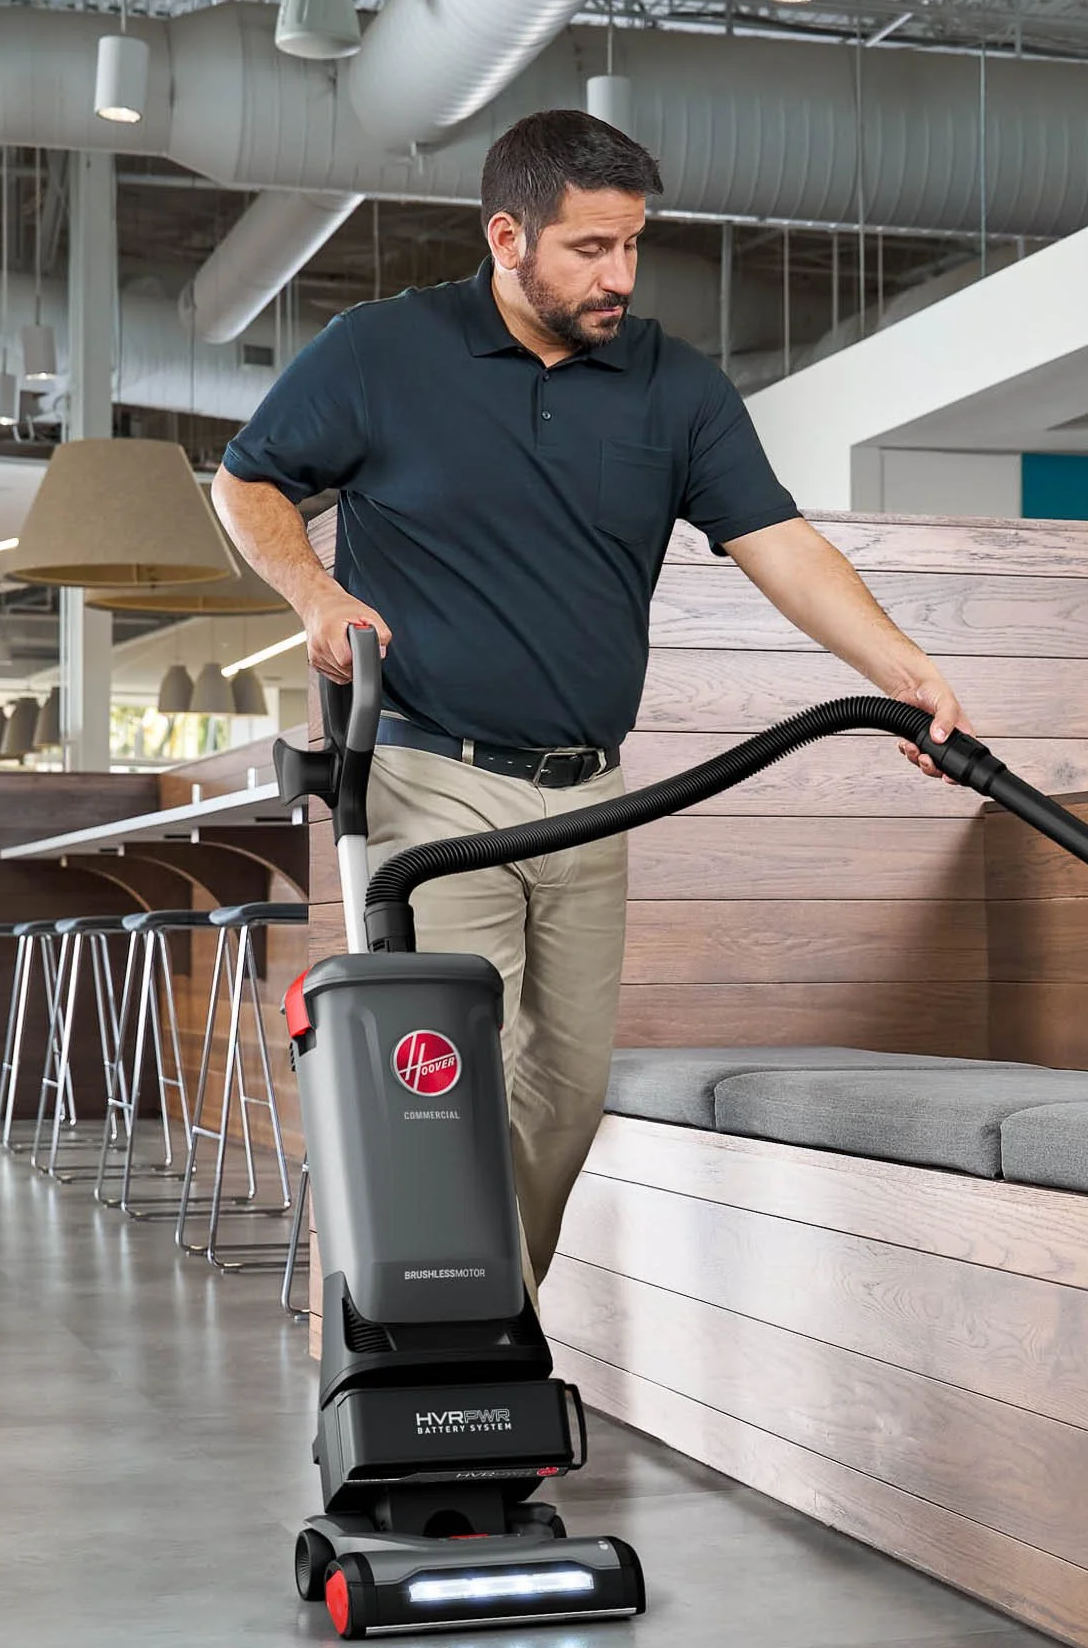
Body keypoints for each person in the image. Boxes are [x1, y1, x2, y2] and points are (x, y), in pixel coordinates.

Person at [211, 108, 967, 1286]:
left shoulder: (672, 385)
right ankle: (447, 1346)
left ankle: (481, 1333)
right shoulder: (384, 352)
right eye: (589, 250)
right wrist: (314, 594)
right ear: (507, 236)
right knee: (438, 1080)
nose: (619, 276)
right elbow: (247, 481)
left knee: (563, 1095)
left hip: (585, 796)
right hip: (427, 780)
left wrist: (907, 677)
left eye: (632, 246)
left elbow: (778, 542)